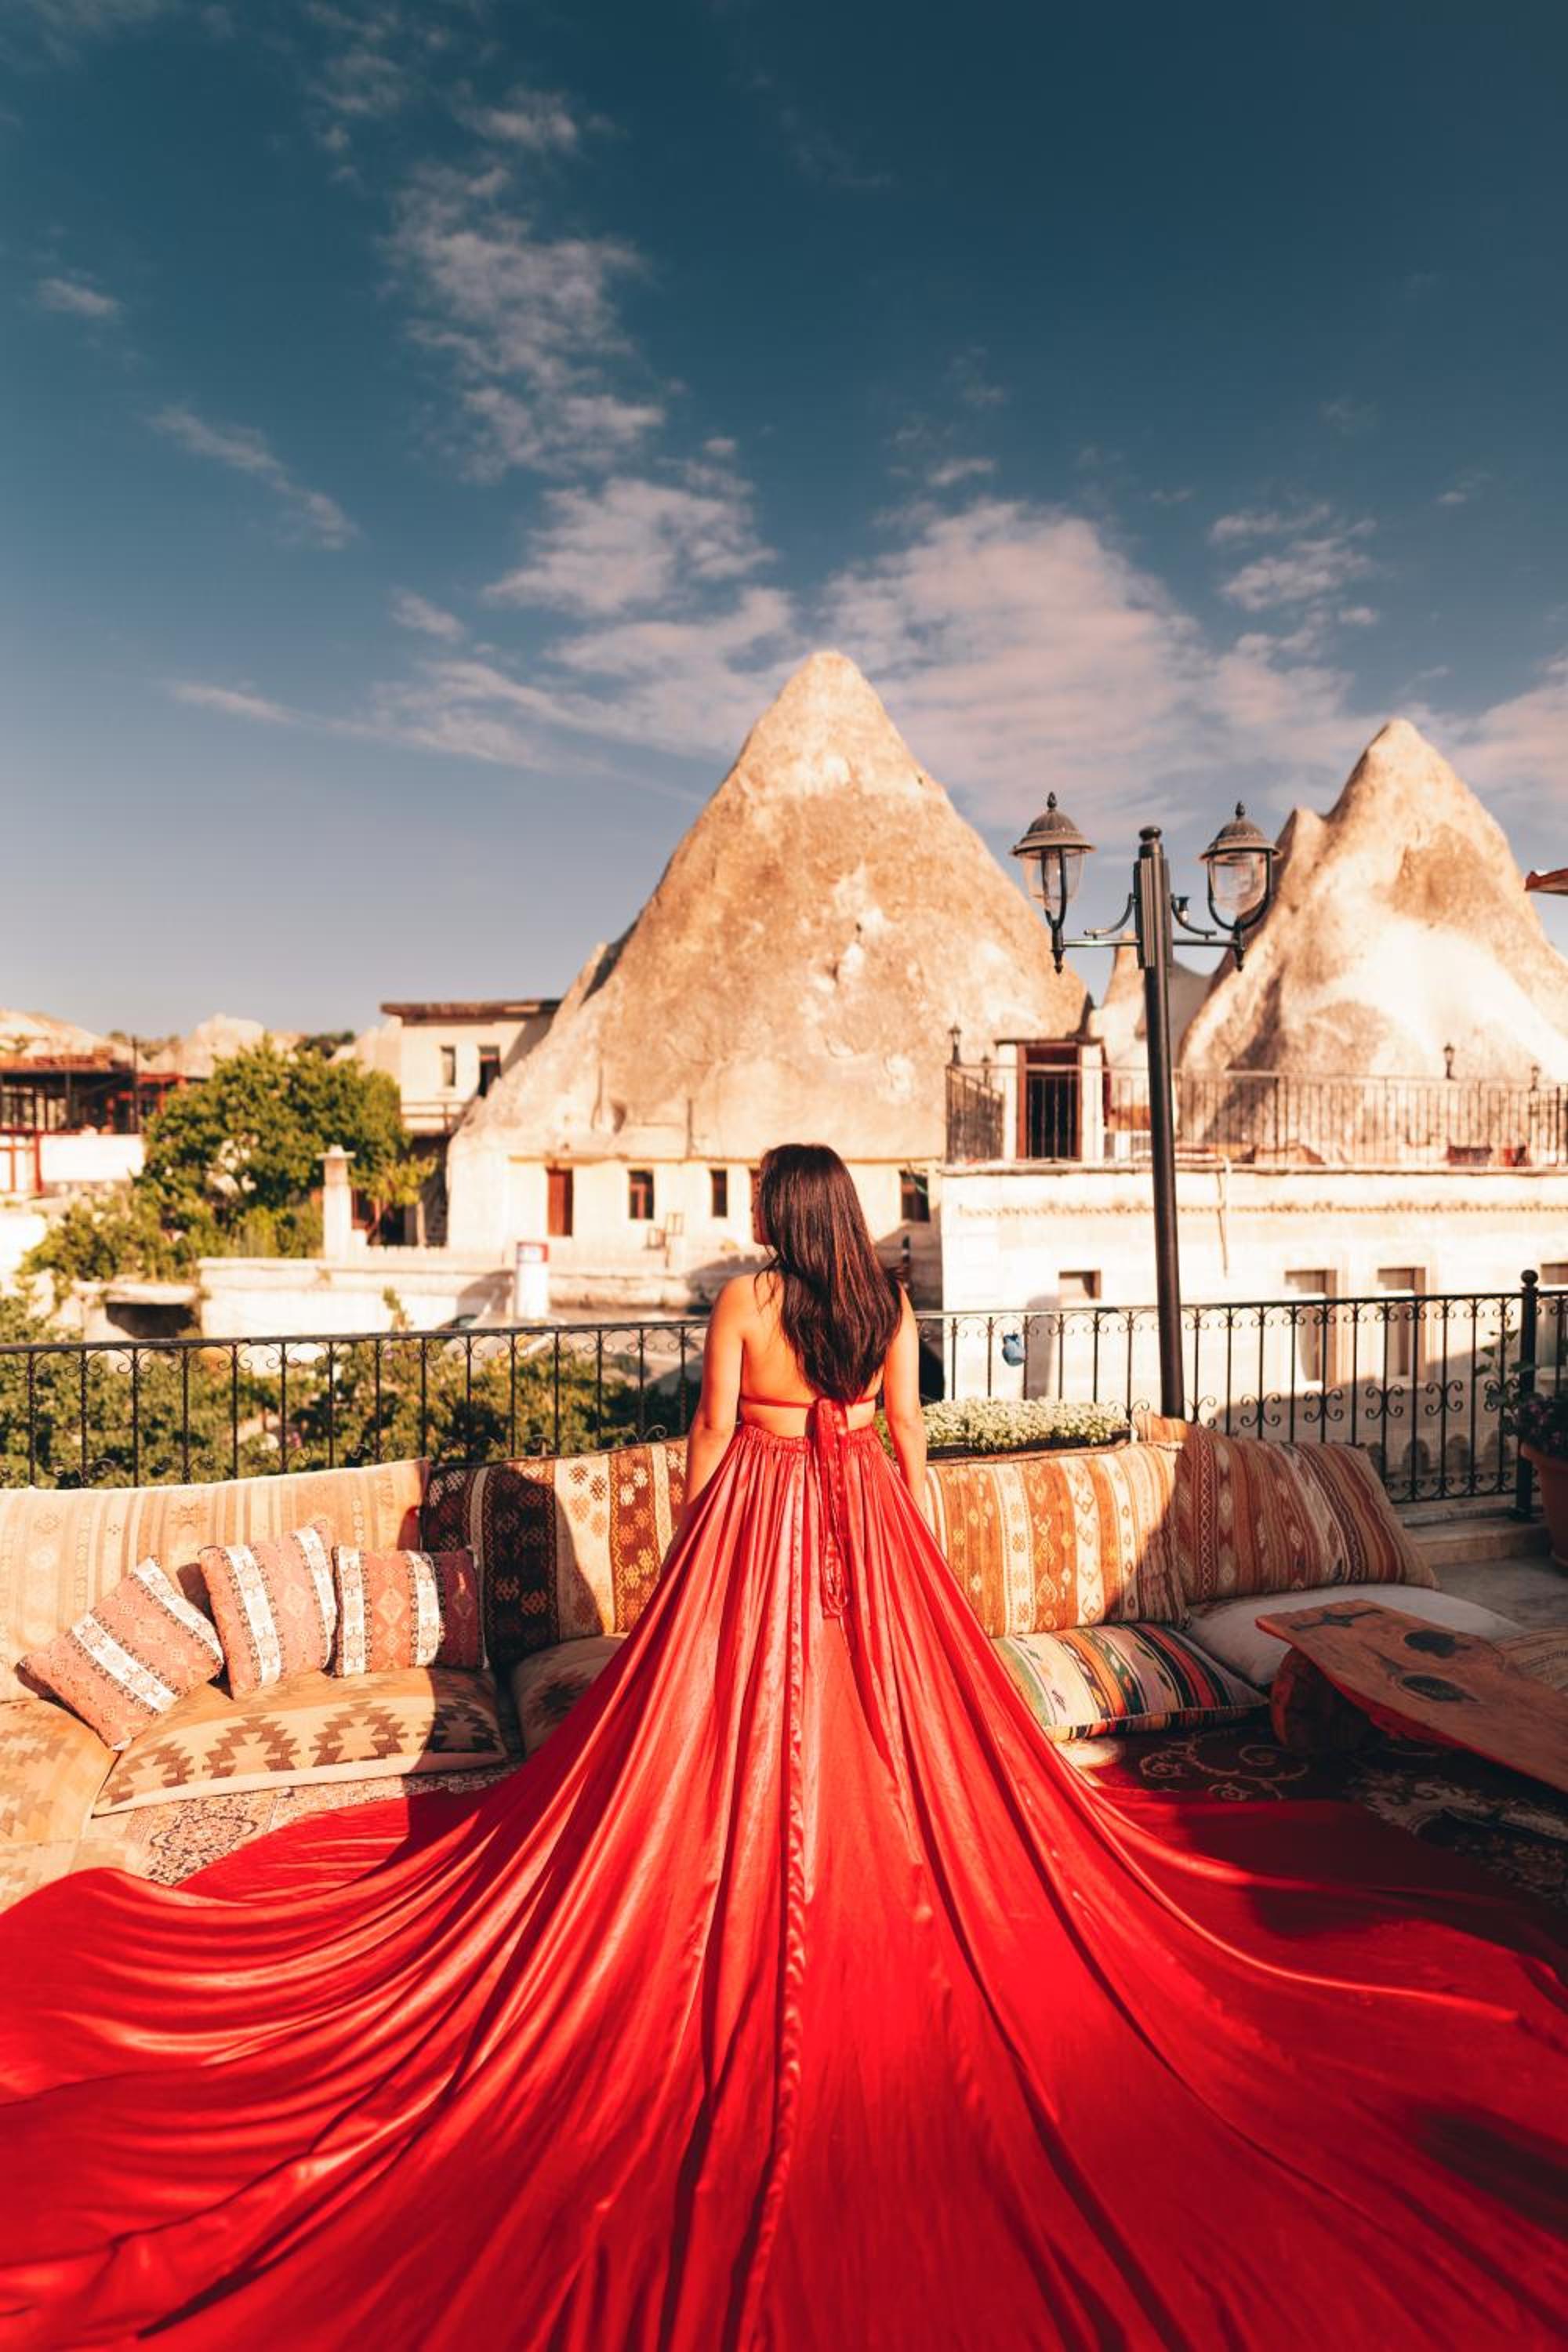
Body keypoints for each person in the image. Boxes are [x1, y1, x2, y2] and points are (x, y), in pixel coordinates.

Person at [0, 1141, 1564, 2350]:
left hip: (756, 1524)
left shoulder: (745, 1303)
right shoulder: (884, 1303)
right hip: (869, 1521)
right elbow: (912, 1444)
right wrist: (907, 1557)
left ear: (774, 1211)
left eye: (760, 1196)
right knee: (892, 1728)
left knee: (725, 1724)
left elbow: (703, 1444)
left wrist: (696, 1564)